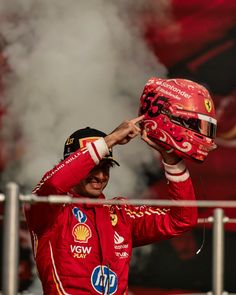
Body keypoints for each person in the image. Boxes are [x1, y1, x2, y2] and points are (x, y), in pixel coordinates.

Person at [24, 115, 198, 295]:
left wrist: (171, 161)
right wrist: (111, 139)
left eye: (106, 167)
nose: (100, 176)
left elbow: (183, 220)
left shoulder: (121, 212)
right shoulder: (48, 207)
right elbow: (54, 183)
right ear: (72, 165)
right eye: (93, 167)